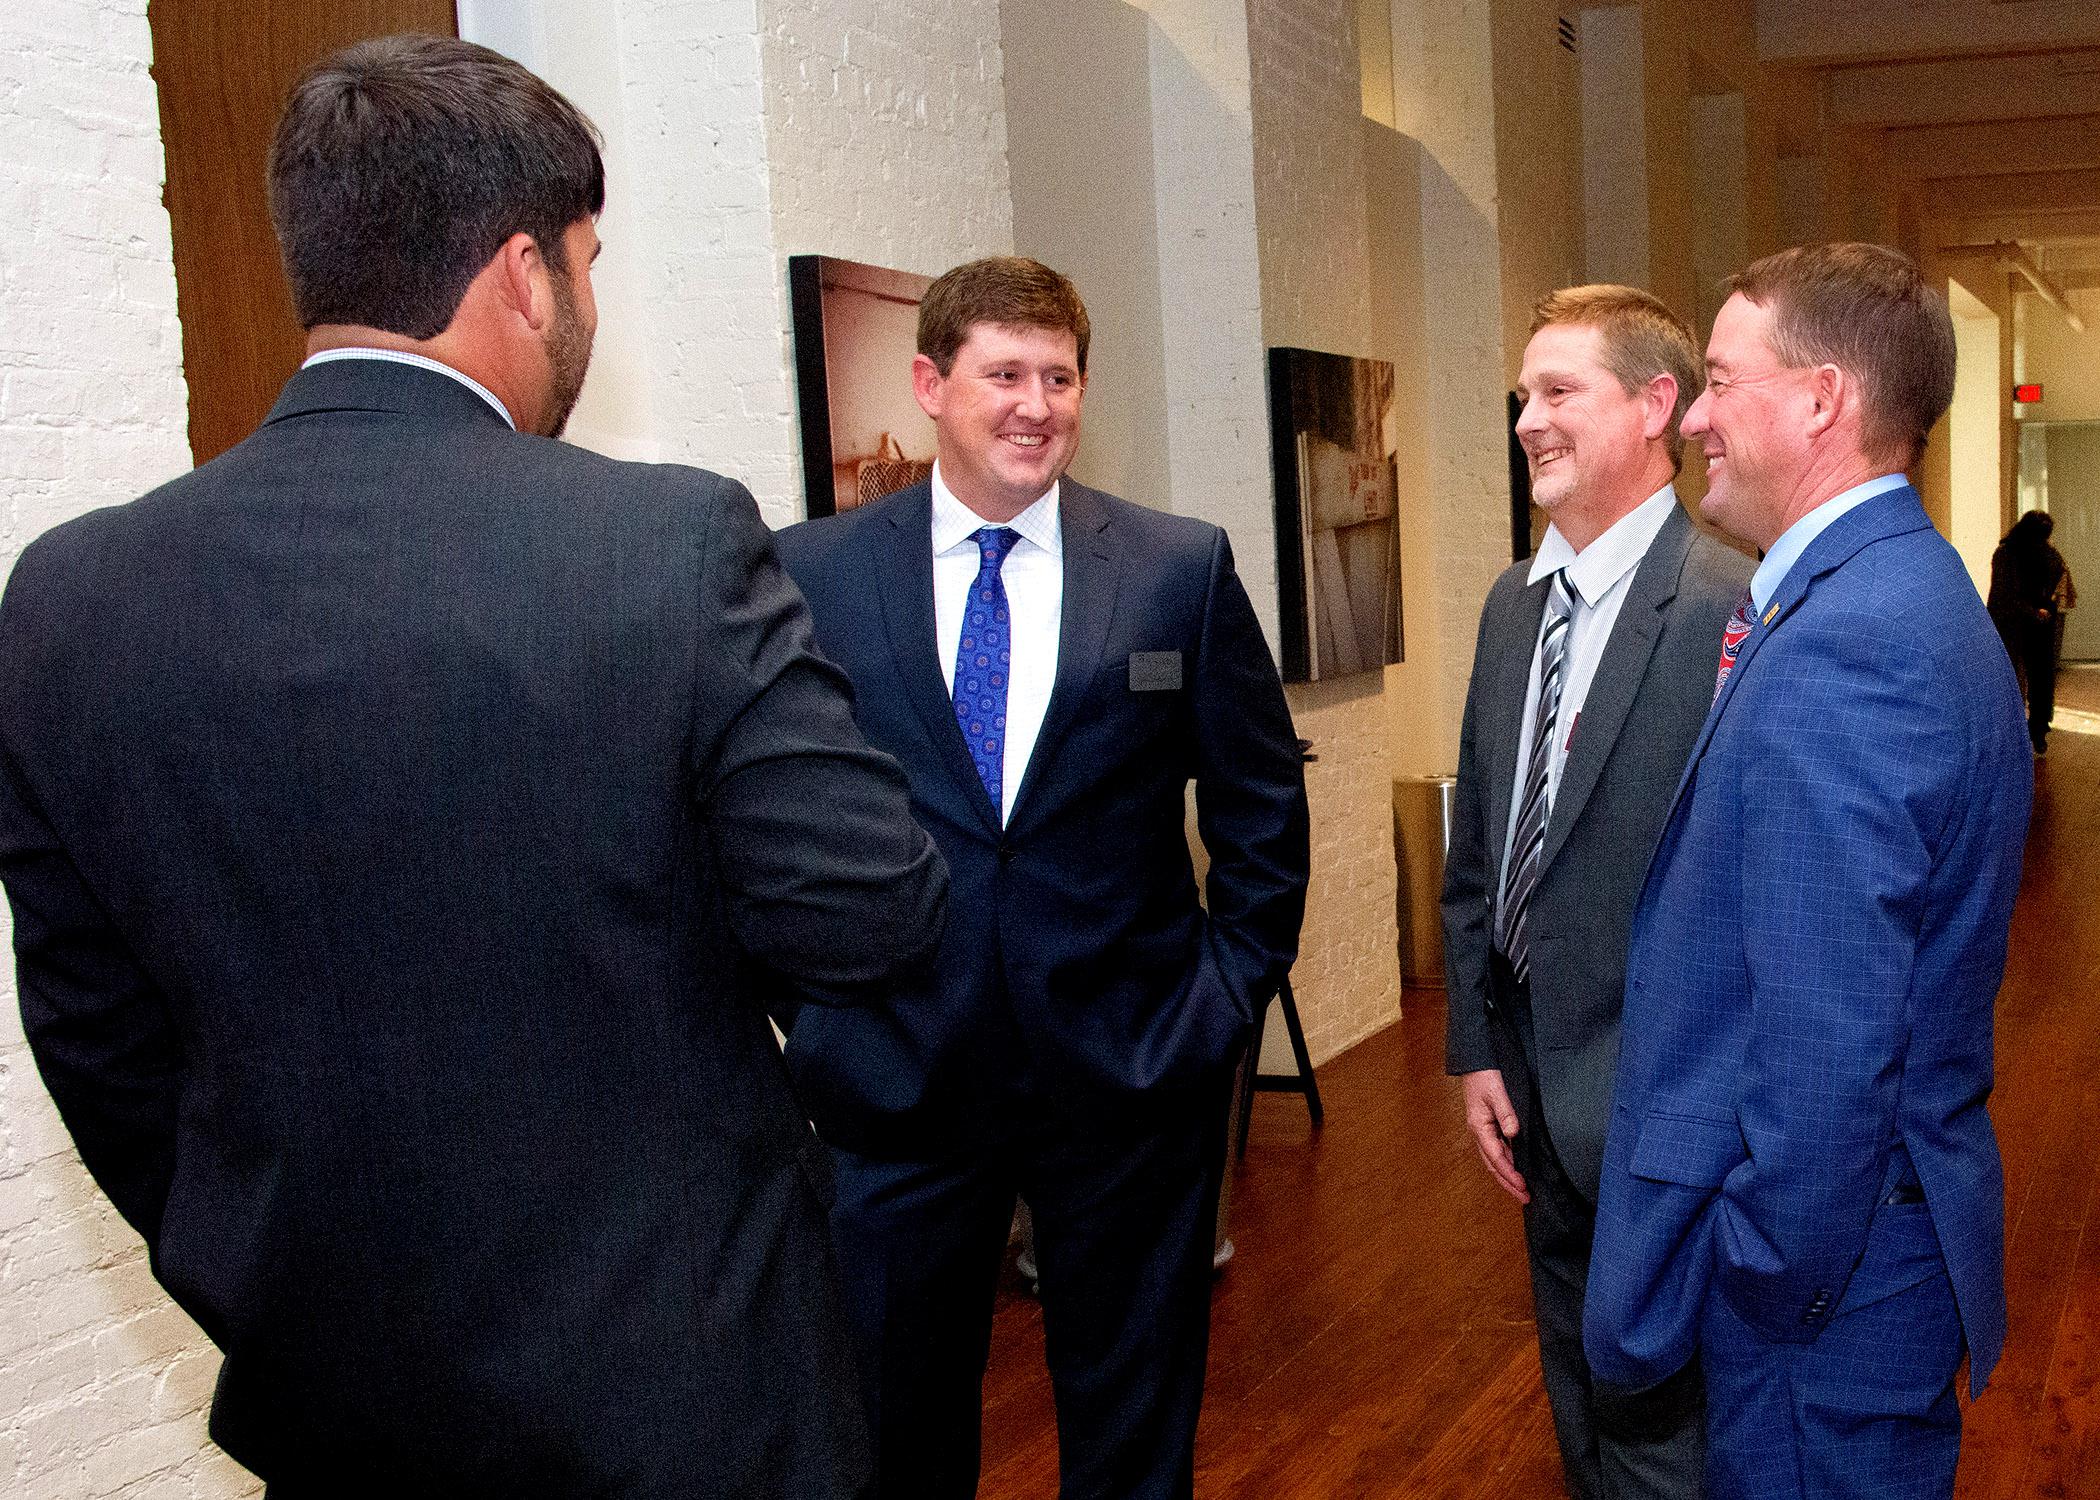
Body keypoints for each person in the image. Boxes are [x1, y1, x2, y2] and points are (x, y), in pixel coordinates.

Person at [0, 35, 947, 1499]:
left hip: (336, 1419)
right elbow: (869, 907)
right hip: (685, 1394)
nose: (586, 302)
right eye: (588, 261)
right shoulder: (665, 543)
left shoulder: (70, 597)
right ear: (524, 273)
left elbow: (95, 1034)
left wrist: (268, 1266)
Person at [775, 256, 1310, 1500]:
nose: (1035, 404)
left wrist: (1223, 999)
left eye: (1058, 376)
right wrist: (810, 1003)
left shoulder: (1176, 567)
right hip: (898, 1076)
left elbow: (1261, 804)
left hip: (1129, 1073)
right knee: (894, 1436)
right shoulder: (814, 572)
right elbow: (769, 812)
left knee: (1133, 1432)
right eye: (1003, 373)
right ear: (929, 383)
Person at [1584, 243, 2033, 1500]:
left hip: (1823, 1293)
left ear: (1823, 399)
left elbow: (1831, 1037)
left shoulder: (1853, 642)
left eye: (1723, 379)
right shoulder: (1897, 593)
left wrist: (1765, 1265)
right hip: (1866, 1260)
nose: (1700, 415)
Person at [1443, 285, 1751, 1500]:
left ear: (1658, 406)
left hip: (1668, 1094)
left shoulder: (1734, 607)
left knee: (1666, 1408)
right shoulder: (1511, 607)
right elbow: (1482, 844)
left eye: (1560, 391)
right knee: (1576, 1379)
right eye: (1524, 395)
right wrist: (1475, 1042)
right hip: (1531, 1081)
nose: (1528, 419)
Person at [1989, 508, 2078, 757]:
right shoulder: (2049, 555)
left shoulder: (2006, 553)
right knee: (2041, 678)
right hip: (2040, 624)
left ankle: (2013, 732)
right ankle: (2038, 732)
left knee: (2013, 679)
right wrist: (2039, 610)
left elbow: (2002, 594)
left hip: (2011, 624)